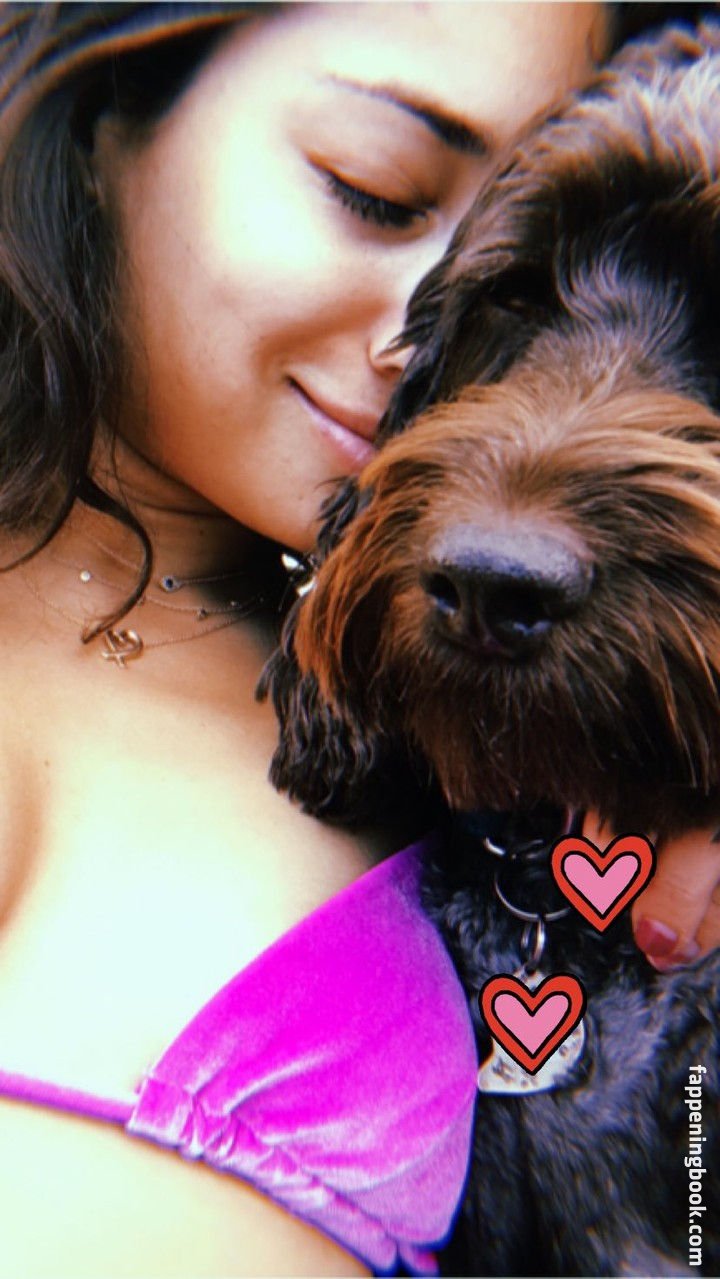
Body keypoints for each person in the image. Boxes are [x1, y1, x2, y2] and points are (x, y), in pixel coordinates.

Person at [0, 4, 716, 1277]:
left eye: (481, 260)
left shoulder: (492, 742)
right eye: (373, 190)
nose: (427, 339)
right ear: (115, 103)